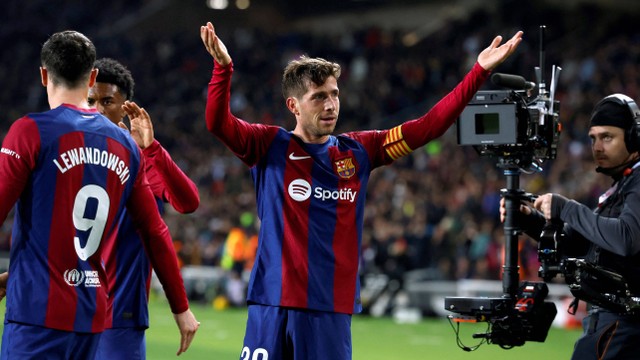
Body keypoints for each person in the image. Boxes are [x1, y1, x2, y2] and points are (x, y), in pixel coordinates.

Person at [200, 21, 522, 359]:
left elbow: (427, 127)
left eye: (334, 94)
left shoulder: (359, 151)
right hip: (271, 302)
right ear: (294, 106)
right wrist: (223, 69)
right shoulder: (267, 145)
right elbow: (216, 123)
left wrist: (478, 72)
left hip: (329, 308)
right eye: (319, 97)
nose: (330, 105)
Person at [0, 30, 199, 358]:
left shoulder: (30, 130)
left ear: (43, 75)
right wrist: (180, 306)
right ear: (91, 76)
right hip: (91, 315)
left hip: (37, 313)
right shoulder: (125, 147)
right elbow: (155, 230)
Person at [499, 93, 640, 359]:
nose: (597, 147)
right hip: (608, 325)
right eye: (593, 138)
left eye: (607, 137)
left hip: (625, 328)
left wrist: (568, 208)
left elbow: (626, 238)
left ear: (633, 137)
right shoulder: (621, 186)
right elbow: (582, 246)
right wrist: (529, 220)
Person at [87, 58, 201, 359]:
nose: (97, 109)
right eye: (91, 100)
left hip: (119, 313)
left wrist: (152, 150)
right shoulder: (69, 155)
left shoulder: (138, 160)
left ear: (126, 106)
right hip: (69, 306)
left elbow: (188, 202)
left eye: (107, 101)